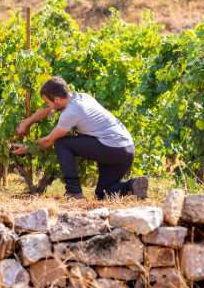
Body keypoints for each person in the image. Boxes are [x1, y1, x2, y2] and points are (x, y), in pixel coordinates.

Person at [12, 76, 148, 199]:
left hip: (113, 149)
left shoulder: (71, 112)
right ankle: (132, 185)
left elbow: (48, 141)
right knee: (103, 194)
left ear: (57, 99)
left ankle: (74, 192)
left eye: (49, 103)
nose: (49, 107)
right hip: (126, 149)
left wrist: (27, 149)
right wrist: (27, 122)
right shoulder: (81, 97)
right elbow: (47, 111)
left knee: (62, 143)